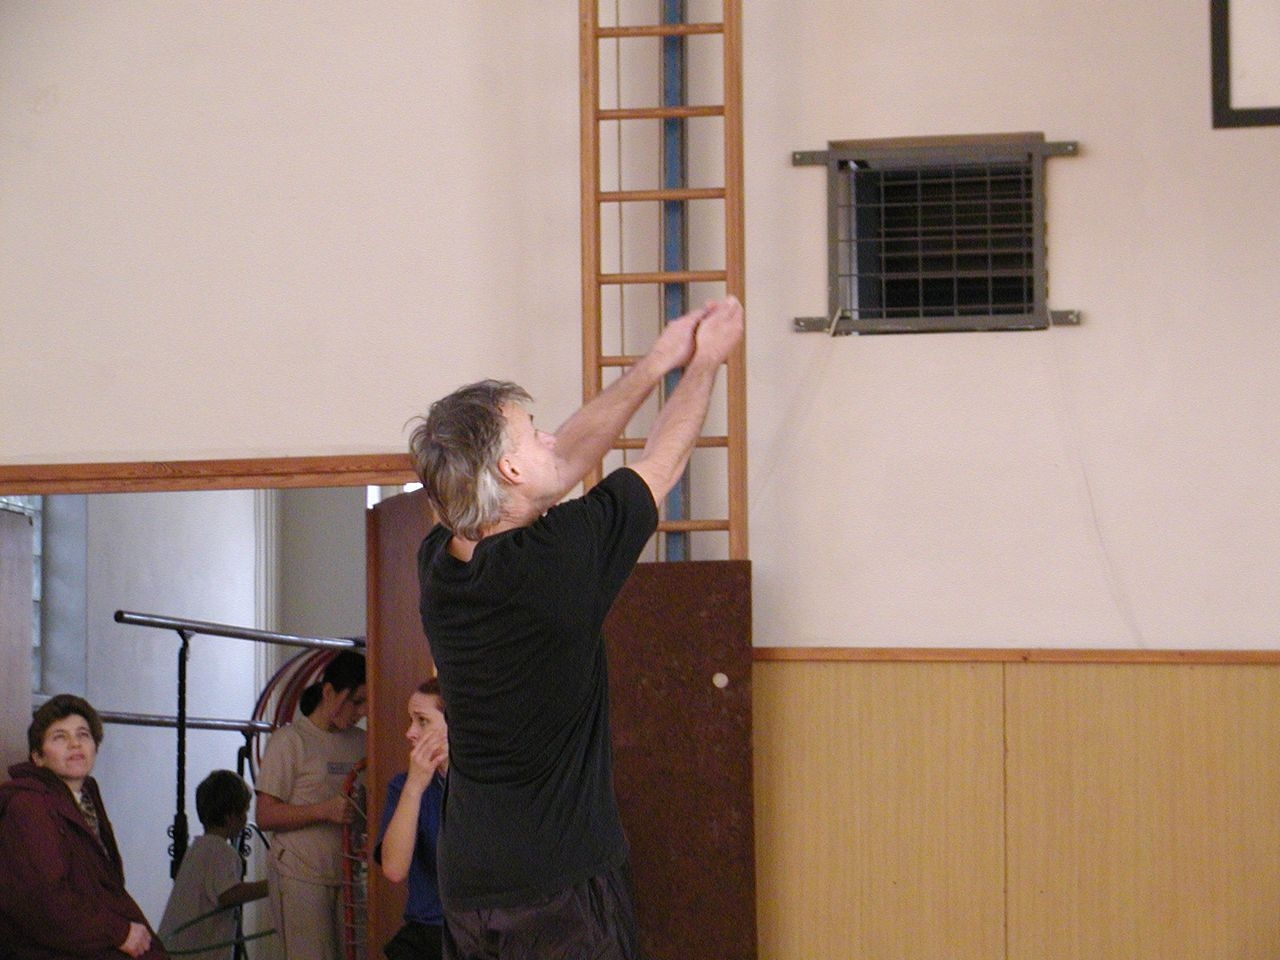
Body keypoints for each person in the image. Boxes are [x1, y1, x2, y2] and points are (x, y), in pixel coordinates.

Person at [408, 295, 744, 959]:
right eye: (533, 432)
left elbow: (561, 464)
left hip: (469, 883)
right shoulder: (556, 560)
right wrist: (703, 364)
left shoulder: (439, 565)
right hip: (557, 884)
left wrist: (657, 360)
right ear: (508, 470)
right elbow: (662, 463)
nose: (551, 439)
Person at [0, 693, 168, 960]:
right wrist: (118, 932)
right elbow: (43, 901)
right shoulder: (30, 805)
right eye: (60, 737)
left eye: (83, 735)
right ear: (38, 757)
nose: (74, 743)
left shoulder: (86, 796)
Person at [254, 650, 367, 960]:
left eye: (366, 703)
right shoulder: (291, 740)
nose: (361, 712)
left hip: (348, 873)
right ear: (329, 692)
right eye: (356, 701)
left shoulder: (361, 742)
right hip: (301, 874)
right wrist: (324, 810)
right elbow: (265, 815)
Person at [373, 678, 449, 960]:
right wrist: (415, 786)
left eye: (422, 721)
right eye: (410, 720)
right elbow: (394, 869)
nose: (410, 732)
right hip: (427, 930)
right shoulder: (402, 786)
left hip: (482, 930)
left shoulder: (487, 784)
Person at [157, 770, 268, 960]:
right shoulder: (221, 851)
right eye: (244, 812)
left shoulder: (198, 848)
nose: (245, 820)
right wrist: (271, 885)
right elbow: (228, 894)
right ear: (231, 816)